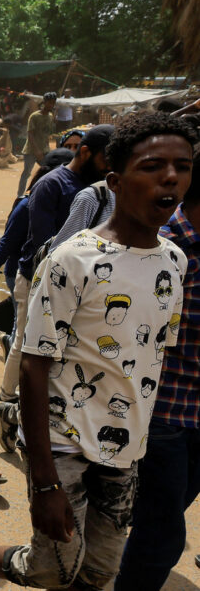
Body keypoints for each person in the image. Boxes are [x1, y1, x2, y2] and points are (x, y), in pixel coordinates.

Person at [0, 111, 194, 591]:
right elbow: (34, 365)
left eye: (182, 165)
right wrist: (45, 481)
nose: (171, 177)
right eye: (152, 166)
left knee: (98, 573)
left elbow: (152, 359)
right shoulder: (74, 258)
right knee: (54, 567)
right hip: (63, 440)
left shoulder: (174, 262)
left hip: (125, 449)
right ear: (114, 180)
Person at [0, 125, 115, 452]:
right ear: (86, 153)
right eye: (106, 158)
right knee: (27, 344)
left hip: (84, 287)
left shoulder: (103, 188)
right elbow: (48, 247)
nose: (110, 165)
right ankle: (7, 402)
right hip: (38, 278)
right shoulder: (53, 184)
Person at [114, 147, 200, 588]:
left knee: (159, 518)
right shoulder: (162, 248)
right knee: (164, 535)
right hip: (161, 408)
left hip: (196, 411)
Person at [0, 149, 74, 350]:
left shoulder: (69, 204)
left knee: (21, 313)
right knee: (24, 326)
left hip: (48, 272)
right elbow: (7, 241)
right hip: (19, 271)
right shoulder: (27, 204)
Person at [19, 93, 57, 197]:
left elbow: (47, 135)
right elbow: (30, 134)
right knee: (26, 173)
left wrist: (47, 149)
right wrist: (37, 151)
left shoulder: (50, 116)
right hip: (31, 151)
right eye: (49, 103)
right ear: (44, 103)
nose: (51, 105)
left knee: (47, 171)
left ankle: (38, 192)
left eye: (53, 103)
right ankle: (20, 195)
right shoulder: (34, 116)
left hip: (44, 150)